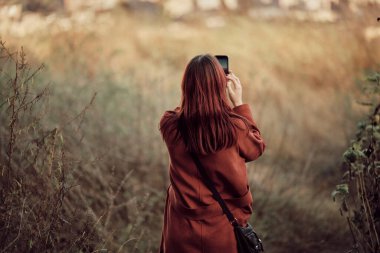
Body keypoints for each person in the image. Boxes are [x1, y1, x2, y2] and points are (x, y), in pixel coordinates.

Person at [158, 54, 266, 253]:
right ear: (221, 85)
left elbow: (186, 114)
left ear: (186, 86)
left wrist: (196, 94)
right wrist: (239, 104)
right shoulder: (236, 128)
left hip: (180, 232)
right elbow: (256, 148)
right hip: (223, 230)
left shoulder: (170, 125)